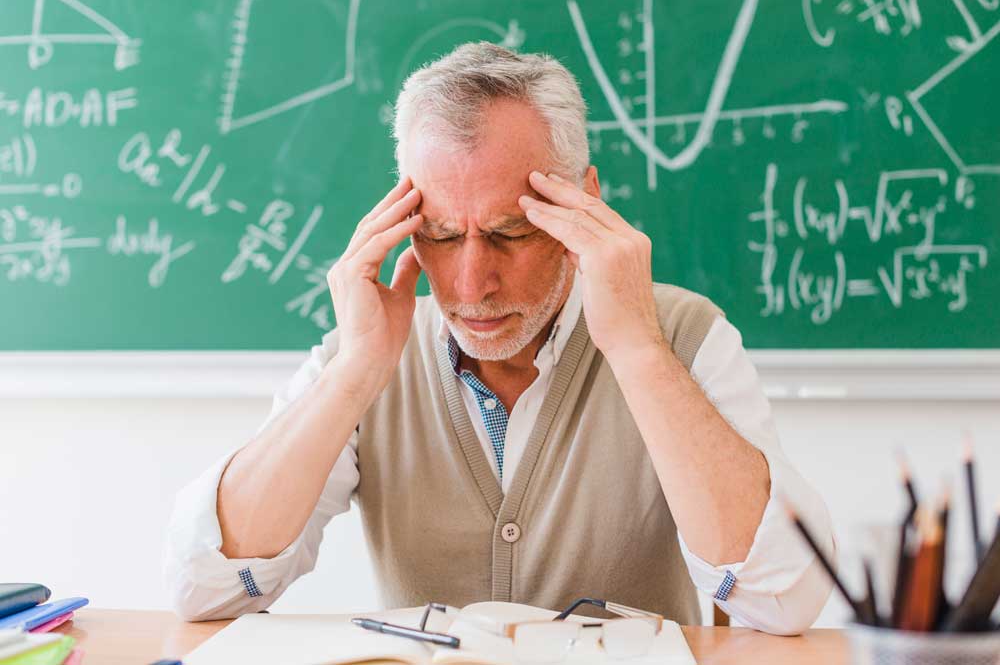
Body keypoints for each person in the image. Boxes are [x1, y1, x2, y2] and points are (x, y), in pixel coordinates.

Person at [165, 42, 834, 634]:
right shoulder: (369, 353)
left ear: (584, 204)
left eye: (511, 232)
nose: (472, 282)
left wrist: (637, 351)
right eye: (442, 235)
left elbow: (786, 598)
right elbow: (203, 586)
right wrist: (354, 373)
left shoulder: (684, 335)